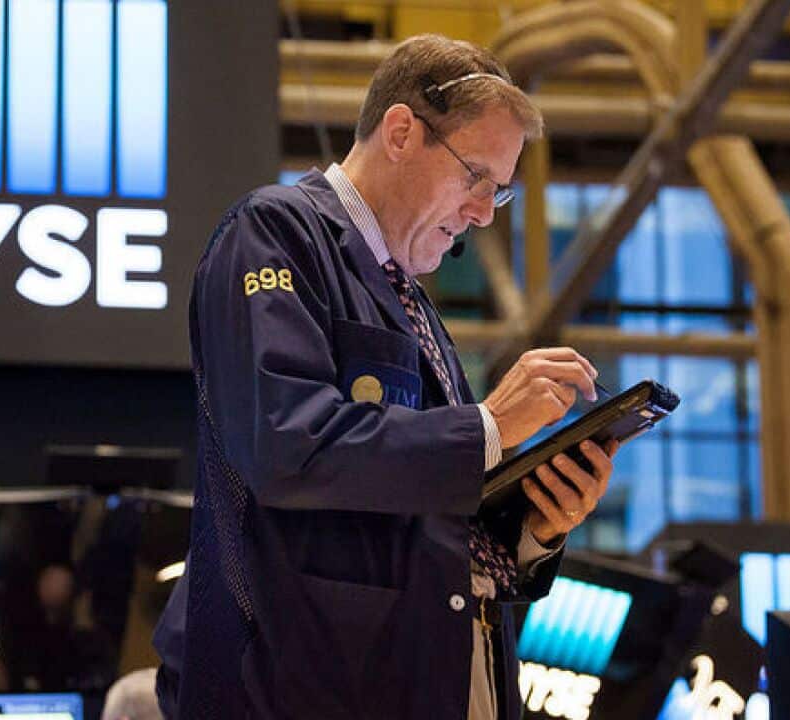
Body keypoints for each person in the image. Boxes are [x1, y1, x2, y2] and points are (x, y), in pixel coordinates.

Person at [153, 34, 618, 719]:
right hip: (302, 690)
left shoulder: (411, 302)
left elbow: (415, 510)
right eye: (475, 177)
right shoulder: (276, 232)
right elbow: (289, 445)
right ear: (401, 132)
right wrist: (487, 427)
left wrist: (532, 526)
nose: (485, 212)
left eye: (501, 190)